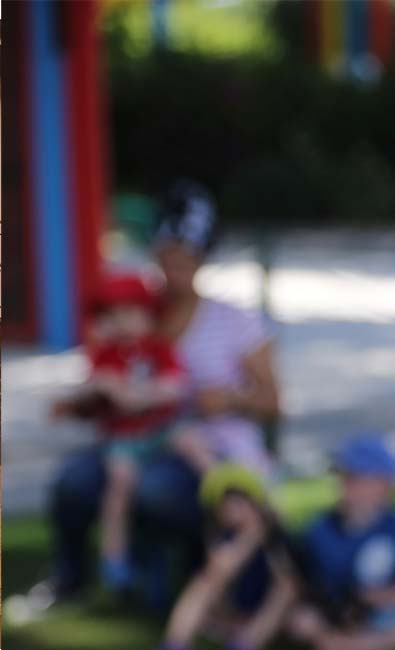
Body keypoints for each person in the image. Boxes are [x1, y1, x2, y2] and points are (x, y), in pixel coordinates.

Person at [40, 180, 281, 609]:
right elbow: (105, 372)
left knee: (156, 490)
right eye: (167, 257)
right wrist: (89, 401)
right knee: (73, 482)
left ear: (203, 259)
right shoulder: (135, 315)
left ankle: (167, 584)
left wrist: (226, 400)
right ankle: (72, 581)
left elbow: (273, 402)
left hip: (201, 446)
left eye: (186, 259)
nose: (175, 269)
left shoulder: (234, 320)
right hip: (134, 437)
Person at [52, 273, 210, 591]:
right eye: (114, 315)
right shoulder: (105, 355)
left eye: (132, 312)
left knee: (191, 442)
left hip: (160, 428)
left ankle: (223, 486)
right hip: (124, 438)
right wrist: (96, 389)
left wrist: (142, 395)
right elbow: (87, 392)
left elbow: (176, 386)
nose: (123, 322)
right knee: (119, 484)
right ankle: (115, 559)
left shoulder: (157, 349)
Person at [291, 435, 395, 650]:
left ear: (385, 484)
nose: (347, 485)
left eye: (357, 478)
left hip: (388, 610)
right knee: (305, 621)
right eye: (345, 477)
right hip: (335, 611)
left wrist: (384, 596)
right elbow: (308, 584)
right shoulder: (320, 530)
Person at [160, 464, 299, 650]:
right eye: (226, 504)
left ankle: (245, 644)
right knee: (204, 581)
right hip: (228, 611)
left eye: (239, 502)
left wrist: (261, 531)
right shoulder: (221, 536)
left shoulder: (275, 537)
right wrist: (250, 536)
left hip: (269, 616)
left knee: (286, 588)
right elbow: (222, 568)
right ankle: (174, 644)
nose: (233, 509)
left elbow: (286, 580)